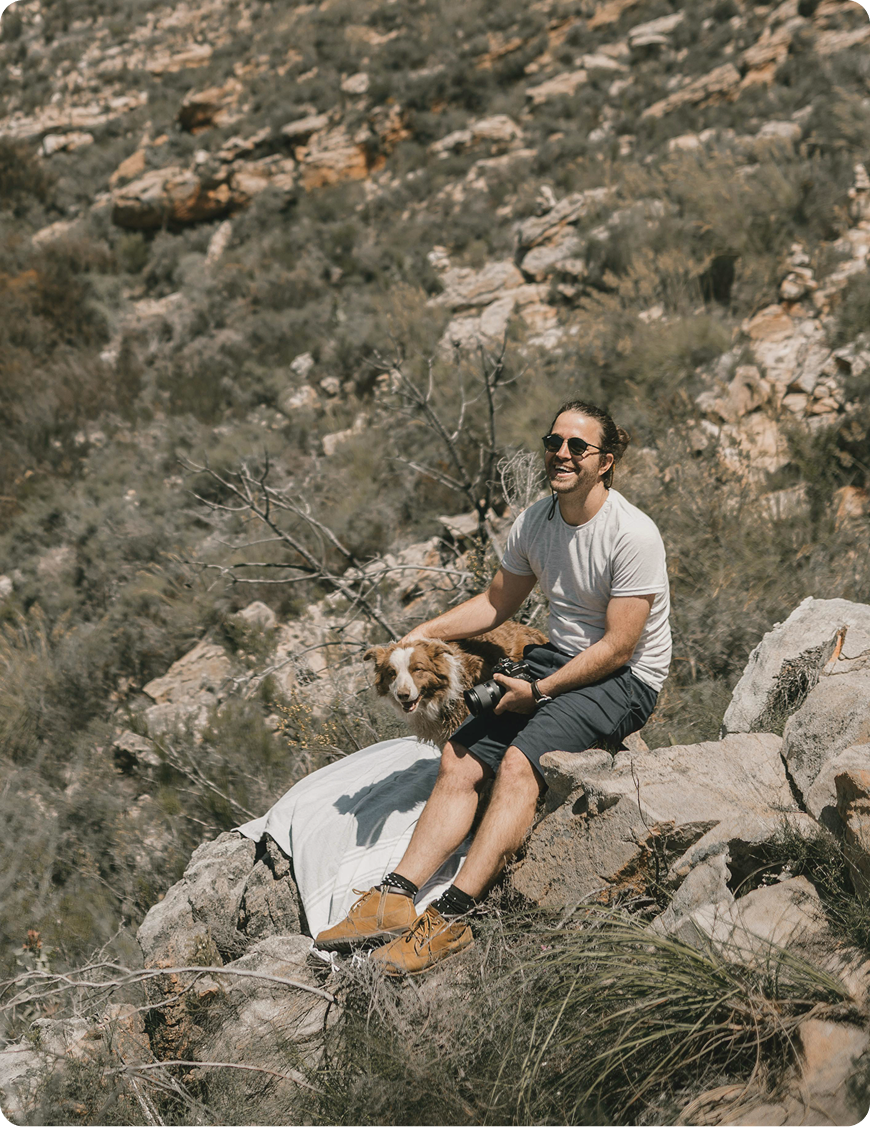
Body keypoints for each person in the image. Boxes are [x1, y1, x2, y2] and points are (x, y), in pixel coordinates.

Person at [315, 400, 671, 974]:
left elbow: (619, 647)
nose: (561, 454)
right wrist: (423, 633)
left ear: (605, 461)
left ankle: (452, 918)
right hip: (561, 657)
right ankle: (393, 899)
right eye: (554, 441)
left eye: (577, 446)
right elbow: (495, 603)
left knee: (518, 765)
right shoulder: (537, 521)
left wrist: (542, 691)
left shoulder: (632, 533)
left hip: (625, 678)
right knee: (458, 758)